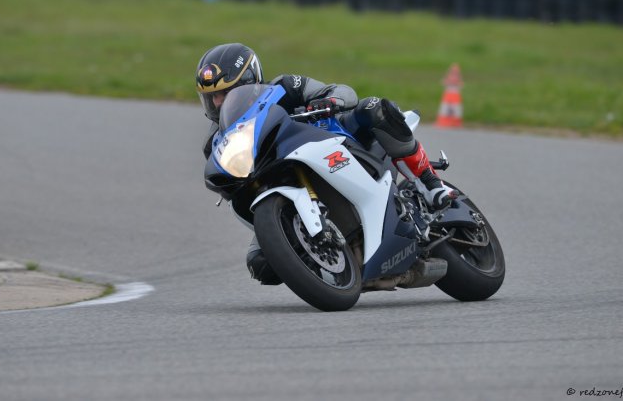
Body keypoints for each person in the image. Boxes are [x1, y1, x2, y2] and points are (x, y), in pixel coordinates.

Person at [196, 43, 458, 284]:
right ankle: (330, 267)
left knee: (373, 108)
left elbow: (340, 91)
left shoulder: (284, 87)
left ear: (249, 80)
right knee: (260, 263)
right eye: (212, 97)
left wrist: (331, 100)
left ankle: (429, 182)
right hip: (277, 180)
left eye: (225, 94)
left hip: (333, 137)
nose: (218, 103)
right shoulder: (216, 141)